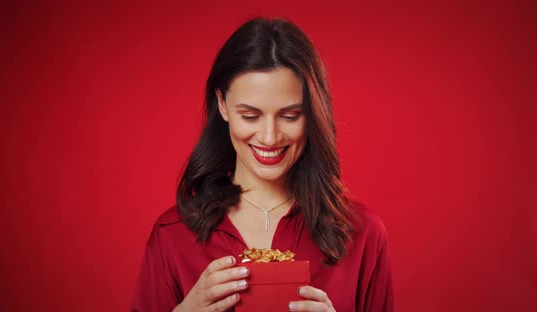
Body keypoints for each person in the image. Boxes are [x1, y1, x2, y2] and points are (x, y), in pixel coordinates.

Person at [131, 17, 394, 312]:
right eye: (250, 115)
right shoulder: (173, 235)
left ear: (312, 113)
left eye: (290, 115)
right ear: (222, 104)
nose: (269, 138)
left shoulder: (362, 234)